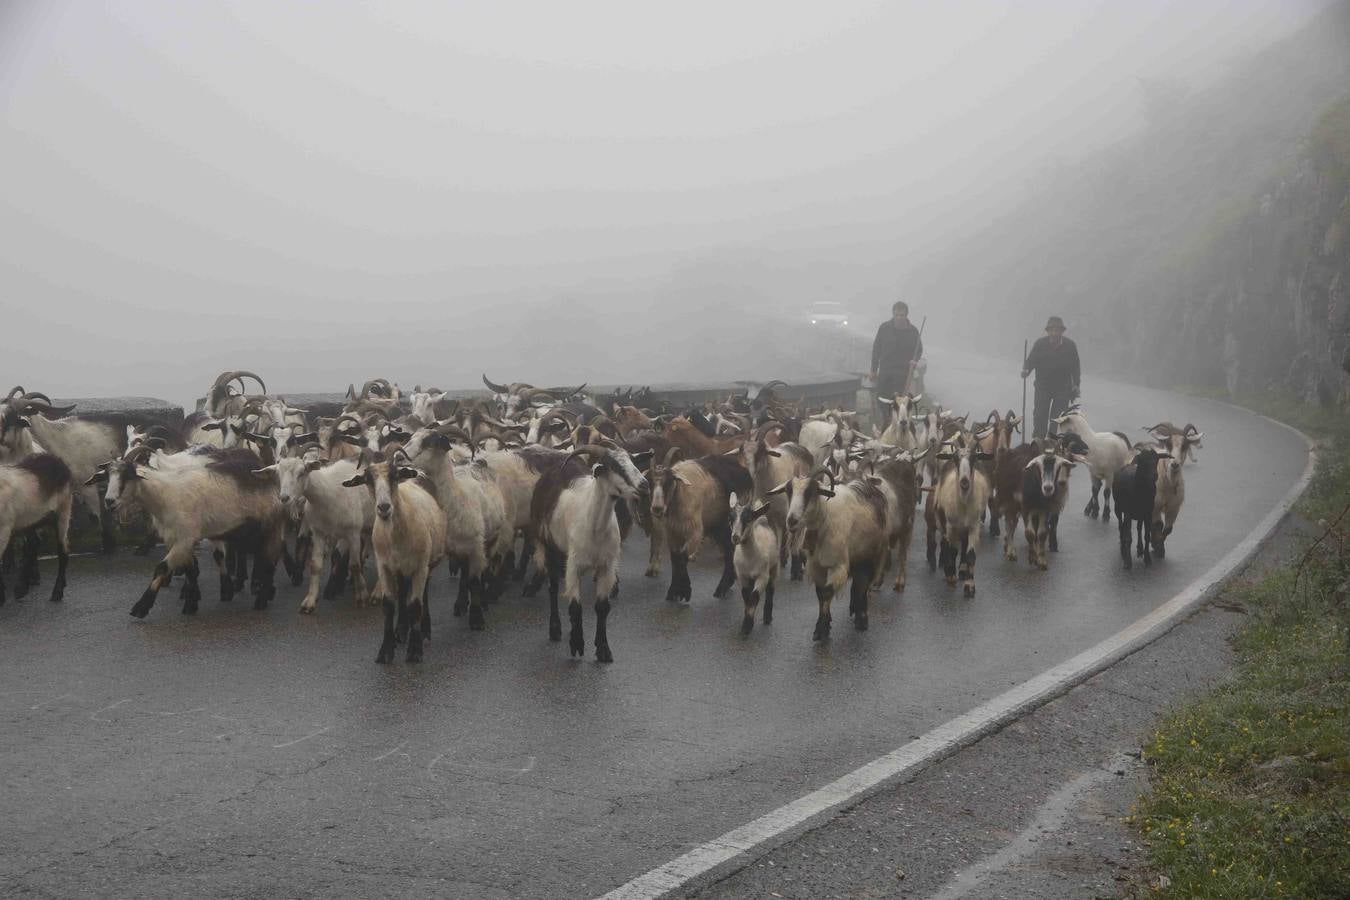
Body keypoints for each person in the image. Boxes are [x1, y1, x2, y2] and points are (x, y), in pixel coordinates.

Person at [1021, 316, 1081, 439]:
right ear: (1047, 331)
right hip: (1043, 387)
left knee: (1058, 419)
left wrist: (1076, 385)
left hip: (1063, 389)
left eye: (1057, 330)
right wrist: (1026, 370)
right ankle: (1038, 442)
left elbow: (1076, 368)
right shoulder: (1040, 344)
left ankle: (1052, 444)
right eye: (1052, 330)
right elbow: (1031, 361)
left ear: (1062, 332)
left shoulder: (1070, 346)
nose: (1054, 333)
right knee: (1039, 416)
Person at [870, 300, 923, 426]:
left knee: (899, 402)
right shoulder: (884, 328)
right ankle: (886, 420)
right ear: (893, 314)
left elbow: (919, 349)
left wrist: (914, 361)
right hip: (885, 372)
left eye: (902, 315)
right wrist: (873, 370)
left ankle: (898, 424)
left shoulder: (913, 331)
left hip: (903, 374)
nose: (899, 317)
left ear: (906, 315)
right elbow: (876, 349)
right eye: (897, 315)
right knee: (882, 399)